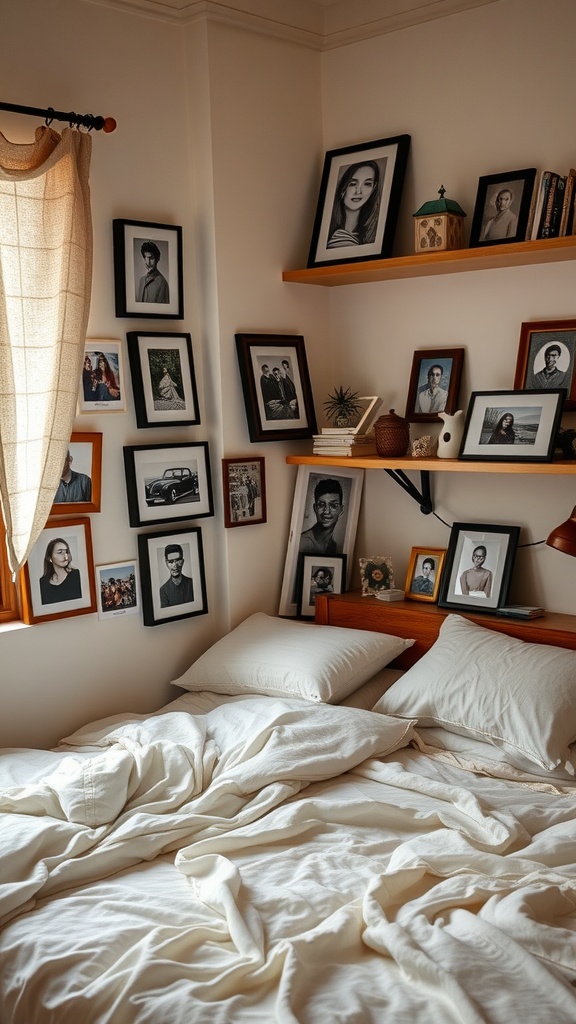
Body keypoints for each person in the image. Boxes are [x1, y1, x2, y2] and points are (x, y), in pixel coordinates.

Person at [327, 160, 381, 249]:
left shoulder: (368, 234)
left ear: (374, 188)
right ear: (343, 187)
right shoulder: (339, 236)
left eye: (367, 184)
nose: (358, 191)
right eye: (352, 184)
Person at [300, 478, 344, 555]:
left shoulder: (335, 546)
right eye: (321, 505)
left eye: (333, 505)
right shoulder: (301, 542)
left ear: (340, 510)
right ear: (315, 508)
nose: (326, 511)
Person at [39, 538, 82, 604]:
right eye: (60, 552)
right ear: (50, 557)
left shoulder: (75, 575)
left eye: (66, 552)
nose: (65, 556)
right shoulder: (43, 582)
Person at [159, 543, 194, 607]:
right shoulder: (163, 590)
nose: (175, 565)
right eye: (171, 561)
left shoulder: (192, 584)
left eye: (178, 560)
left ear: (182, 561)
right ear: (166, 563)